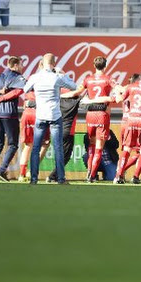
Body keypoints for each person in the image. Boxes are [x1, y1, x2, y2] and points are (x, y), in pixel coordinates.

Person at [24, 54, 80, 185]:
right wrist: (62, 73)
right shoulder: (57, 77)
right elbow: (74, 86)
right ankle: (60, 179)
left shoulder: (35, 77)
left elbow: (25, 89)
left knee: (36, 148)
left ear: (42, 63)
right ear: (54, 64)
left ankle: (33, 179)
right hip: (55, 116)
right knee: (58, 148)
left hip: (40, 115)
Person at [78, 56, 116, 182]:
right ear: (105, 66)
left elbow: (78, 91)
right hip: (101, 114)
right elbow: (119, 90)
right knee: (99, 147)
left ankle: (89, 172)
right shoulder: (108, 79)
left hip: (90, 114)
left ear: (94, 66)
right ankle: (92, 175)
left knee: (91, 146)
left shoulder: (88, 79)